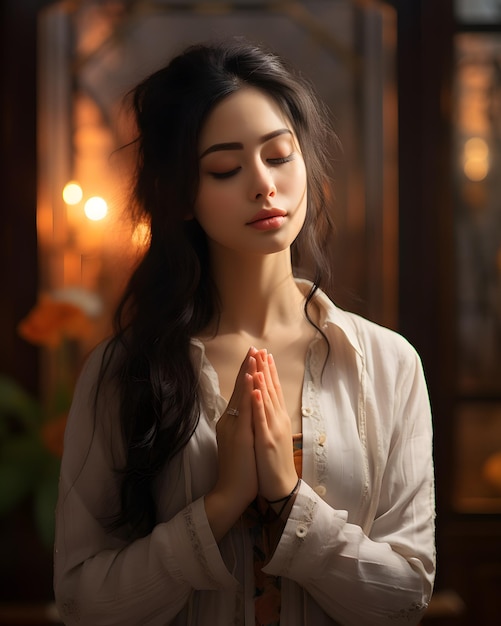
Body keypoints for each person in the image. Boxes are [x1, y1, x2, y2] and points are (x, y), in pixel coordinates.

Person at [53, 38, 435, 626]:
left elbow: (405, 595)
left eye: (279, 155)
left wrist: (288, 499)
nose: (263, 185)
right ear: (181, 194)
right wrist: (219, 506)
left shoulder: (386, 363)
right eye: (225, 169)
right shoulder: (124, 371)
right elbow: (84, 600)